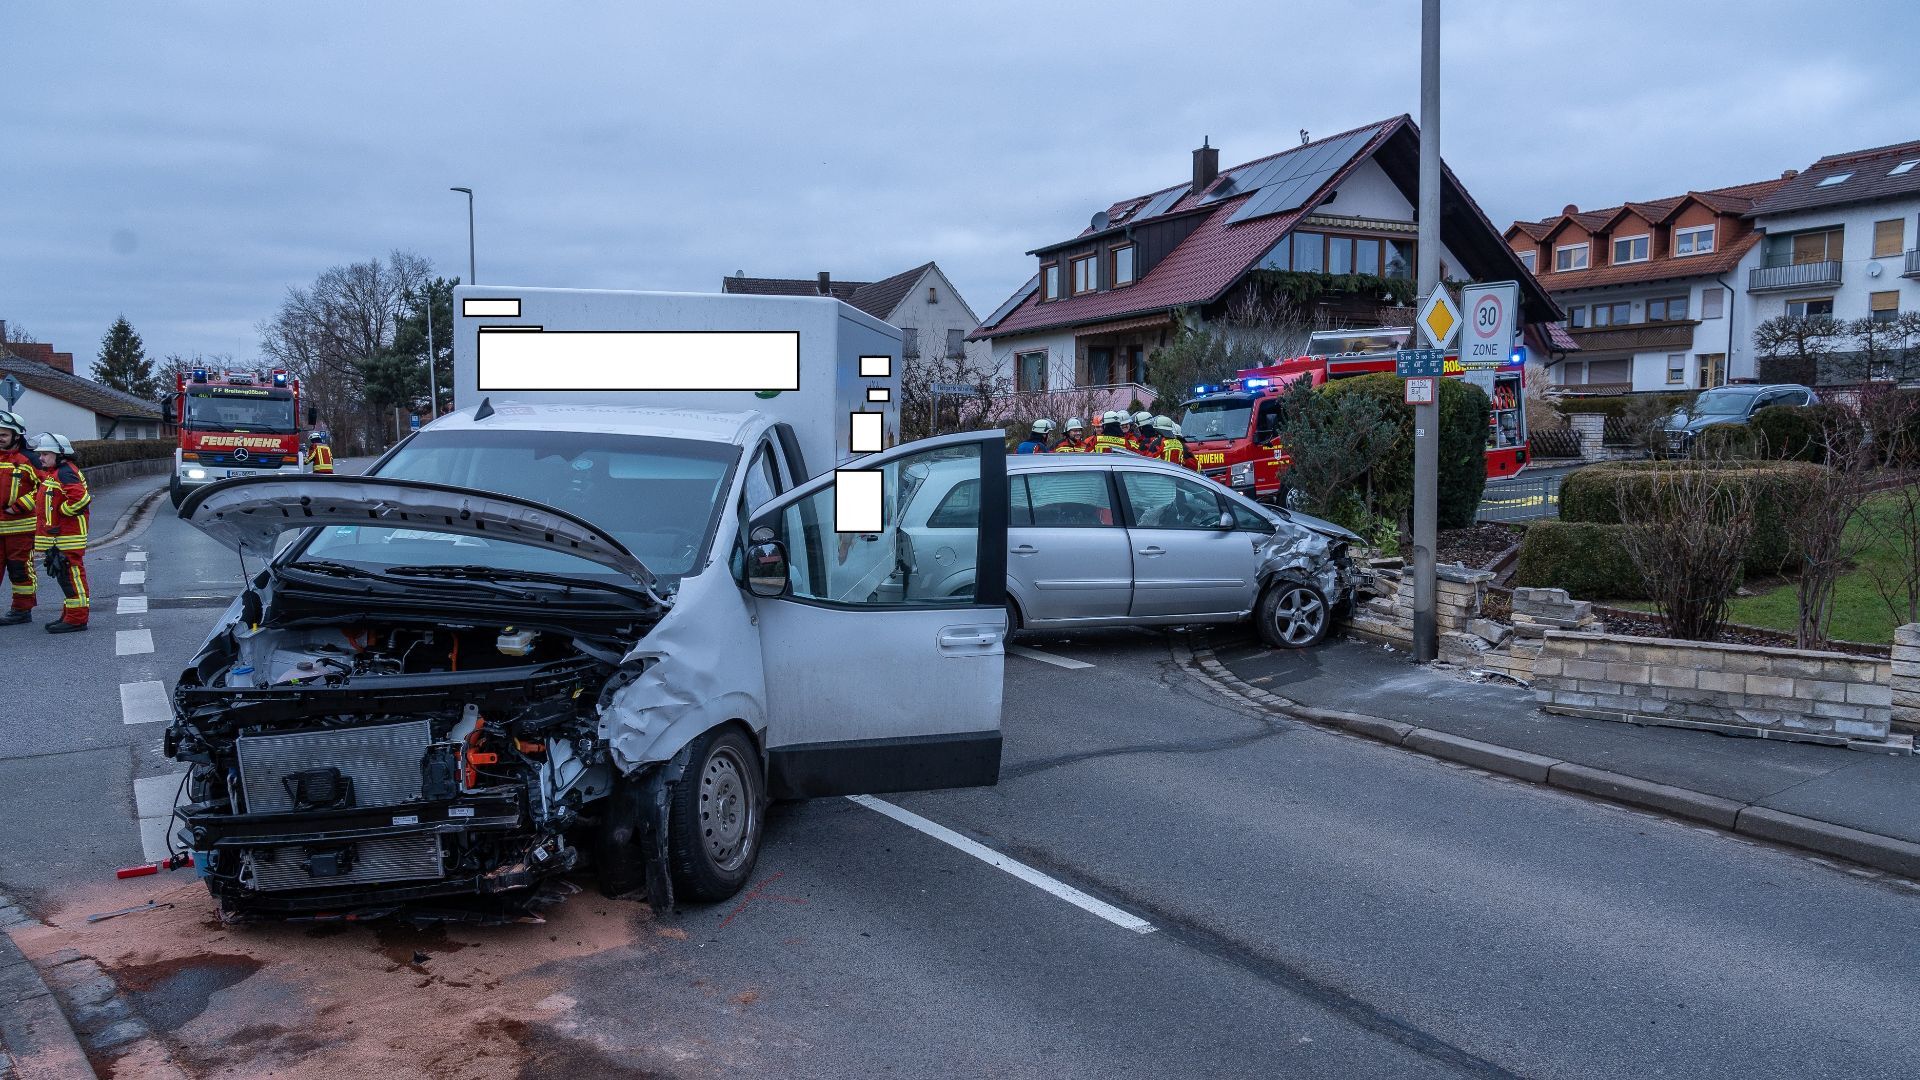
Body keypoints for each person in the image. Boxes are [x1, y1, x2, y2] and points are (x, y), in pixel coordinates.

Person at [29, 434, 88, 633]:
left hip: (67, 538)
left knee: (72, 578)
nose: (41, 458)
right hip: (61, 537)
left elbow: (80, 501)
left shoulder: (64, 473)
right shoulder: (57, 472)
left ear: (60, 454)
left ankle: (77, 618)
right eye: (40, 454)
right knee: (66, 578)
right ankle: (70, 614)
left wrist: (62, 511)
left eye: (45, 454)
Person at [0, 412, 37, 626]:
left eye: (3, 434)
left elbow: (45, 488)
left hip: (19, 528)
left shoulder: (28, 460)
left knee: (20, 569)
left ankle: (22, 610)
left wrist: (21, 505)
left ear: (16, 435)